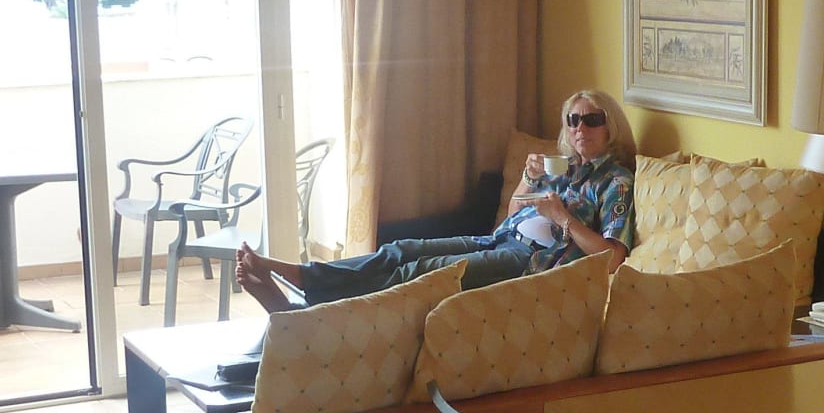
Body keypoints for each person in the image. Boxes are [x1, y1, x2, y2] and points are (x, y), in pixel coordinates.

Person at [233, 90, 638, 313]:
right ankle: (304, 276)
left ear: (610, 127)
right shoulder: (561, 165)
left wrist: (564, 219)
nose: (580, 128)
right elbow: (515, 210)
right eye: (573, 120)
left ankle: (308, 313)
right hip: (498, 239)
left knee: (423, 271)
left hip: (531, 262)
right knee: (399, 250)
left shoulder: (615, 181)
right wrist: (527, 178)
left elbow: (613, 258)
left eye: (592, 120)